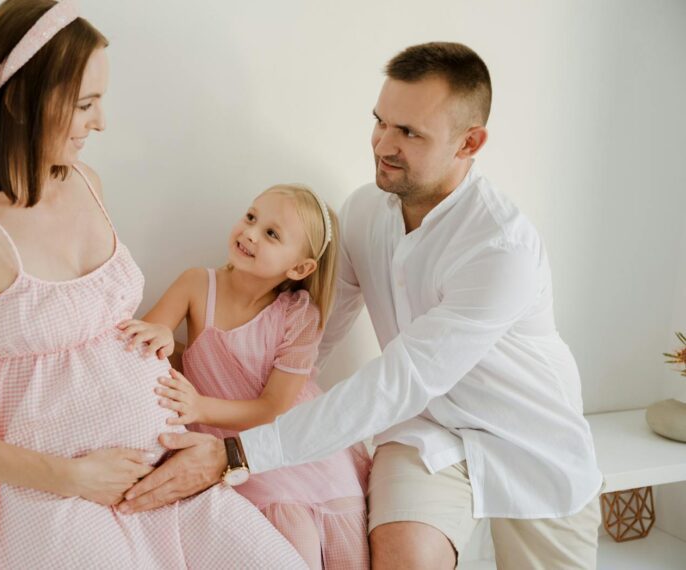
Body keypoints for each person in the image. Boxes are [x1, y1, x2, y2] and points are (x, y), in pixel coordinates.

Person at [119, 42, 604, 570]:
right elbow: (313, 341)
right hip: (425, 431)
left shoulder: (500, 249)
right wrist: (220, 405)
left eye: (410, 133)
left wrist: (238, 455)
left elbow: (402, 377)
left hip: (527, 440)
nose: (383, 144)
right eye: (381, 122)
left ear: (470, 142)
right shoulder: (365, 213)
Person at [0, 1, 306, 567]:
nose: (101, 122)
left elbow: (101, 331)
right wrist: (73, 477)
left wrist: (162, 351)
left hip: (163, 464)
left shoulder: (87, 181)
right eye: (85, 104)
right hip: (54, 489)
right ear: (18, 98)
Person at [118, 184, 371, 568]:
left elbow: (272, 408)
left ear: (300, 268)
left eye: (272, 234)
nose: (250, 233)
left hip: (294, 444)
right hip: (243, 458)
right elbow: (147, 341)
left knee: (346, 556)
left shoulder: (299, 315)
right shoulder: (197, 284)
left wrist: (199, 406)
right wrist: (162, 335)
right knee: (294, 549)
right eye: (251, 217)